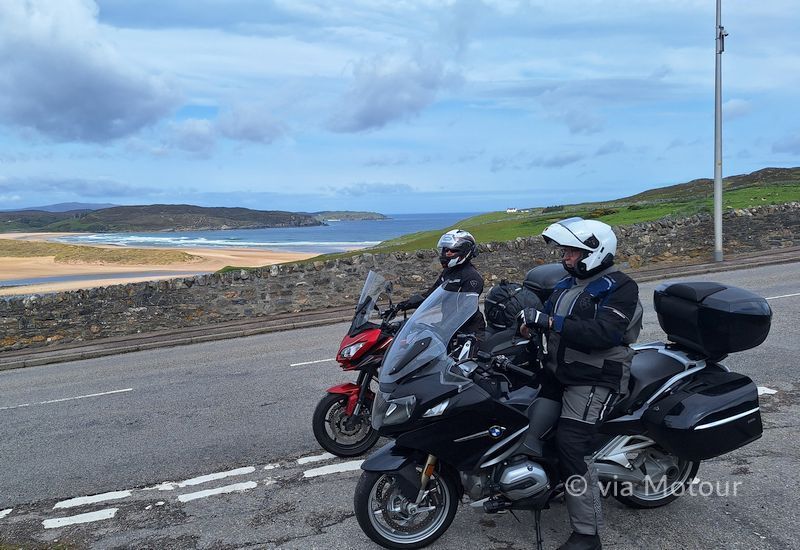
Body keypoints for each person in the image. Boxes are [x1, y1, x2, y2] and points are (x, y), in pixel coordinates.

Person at [519, 217, 640, 550]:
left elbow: (605, 333)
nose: (566, 258)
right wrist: (526, 324)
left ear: (596, 251)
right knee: (522, 421)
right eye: (565, 251)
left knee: (573, 446)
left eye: (573, 252)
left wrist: (550, 321)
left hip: (595, 376)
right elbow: (544, 316)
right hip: (561, 372)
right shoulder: (567, 283)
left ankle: (588, 534)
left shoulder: (621, 287)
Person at [396, 229, 486, 340]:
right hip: (450, 328)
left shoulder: (472, 277)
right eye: (445, 250)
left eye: (453, 250)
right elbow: (430, 295)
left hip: (470, 332)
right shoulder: (448, 272)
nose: (447, 253)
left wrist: (442, 327)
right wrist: (403, 305)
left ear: (464, 251)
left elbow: (465, 310)